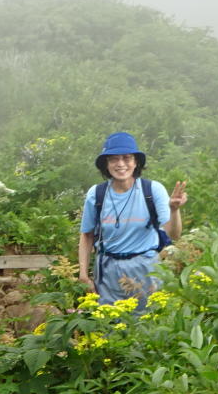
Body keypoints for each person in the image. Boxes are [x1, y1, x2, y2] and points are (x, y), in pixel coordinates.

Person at [78, 132, 187, 309]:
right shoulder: (96, 194)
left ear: (136, 162)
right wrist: (83, 274)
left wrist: (174, 210)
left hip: (146, 267)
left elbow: (173, 235)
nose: (121, 164)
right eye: (114, 159)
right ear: (106, 164)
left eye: (127, 158)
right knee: (109, 325)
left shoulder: (152, 190)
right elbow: (87, 235)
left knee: (149, 323)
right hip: (107, 270)